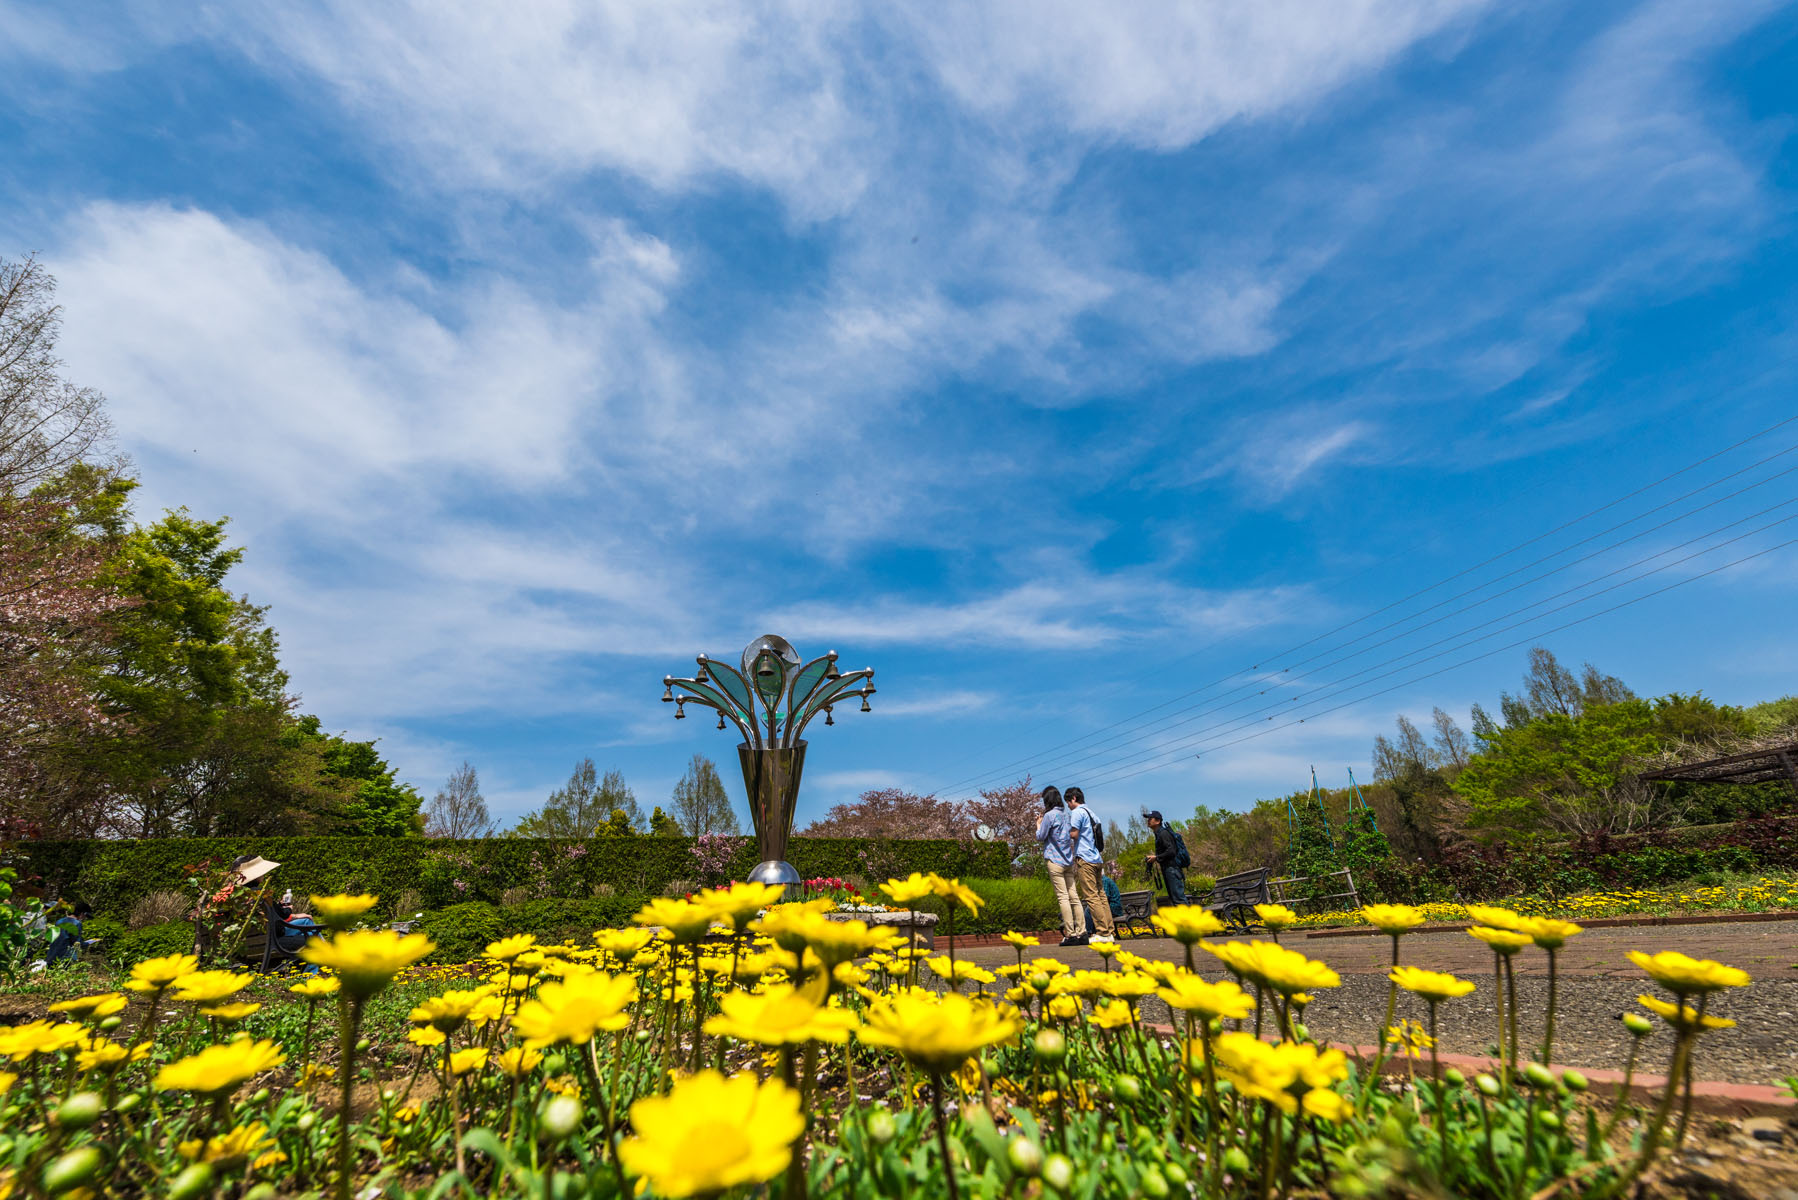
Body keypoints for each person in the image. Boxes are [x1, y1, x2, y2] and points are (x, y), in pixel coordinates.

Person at [1035, 786, 1083, 946]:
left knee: (1063, 898)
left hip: (1055, 861)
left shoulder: (1049, 816)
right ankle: (1082, 932)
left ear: (1047, 800)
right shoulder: (1065, 815)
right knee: (1074, 897)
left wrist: (1038, 824)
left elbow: (1041, 836)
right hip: (1068, 861)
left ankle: (1070, 934)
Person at [1065, 787, 1113, 941]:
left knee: (1091, 896)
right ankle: (1110, 930)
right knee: (1101, 895)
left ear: (1073, 798)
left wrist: (1064, 832)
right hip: (1096, 858)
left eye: (1068, 802)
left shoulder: (1077, 812)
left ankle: (1102, 932)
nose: (1068, 805)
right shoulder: (1092, 813)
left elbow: (1075, 834)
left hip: (1085, 858)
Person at [1146, 811, 1187, 906]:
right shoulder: (1158, 834)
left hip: (1172, 869)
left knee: (1179, 900)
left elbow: (1171, 851)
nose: (1148, 821)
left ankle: (1190, 920)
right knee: (1175, 899)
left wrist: (1156, 858)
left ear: (1157, 821)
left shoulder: (1163, 833)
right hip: (1169, 869)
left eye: (1150, 819)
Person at [44, 901, 92, 966]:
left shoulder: (59, 921)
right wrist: (88, 943)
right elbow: (76, 943)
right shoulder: (77, 923)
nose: (84, 918)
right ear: (82, 914)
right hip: (64, 958)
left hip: (51, 955)